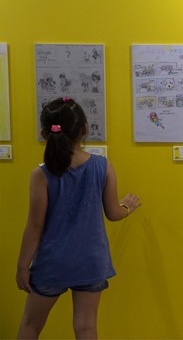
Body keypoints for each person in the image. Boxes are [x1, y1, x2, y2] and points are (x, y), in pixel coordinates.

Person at [16, 97, 141, 339]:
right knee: (86, 327)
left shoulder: (41, 174)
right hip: (91, 261)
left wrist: (22, 266)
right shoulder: (103, 166)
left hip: (52, 263)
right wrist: (127, 206)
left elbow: (34, 226)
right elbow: (113, 213)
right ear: (84, 129)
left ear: (44, 133)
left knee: (30, 325)